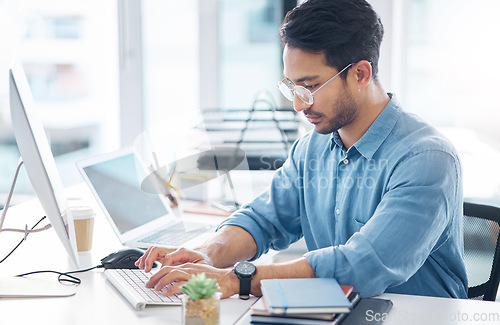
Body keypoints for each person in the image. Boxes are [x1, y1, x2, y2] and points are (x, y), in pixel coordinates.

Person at [136, 0, 468, 299]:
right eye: (291, 86)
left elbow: (363, 266)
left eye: (309, 87)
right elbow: (263, 221)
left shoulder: (426, 159)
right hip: (330, 309)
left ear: (360, 74)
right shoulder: (313, 147)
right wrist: (208, 253)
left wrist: (238, 279)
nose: (297, 104)